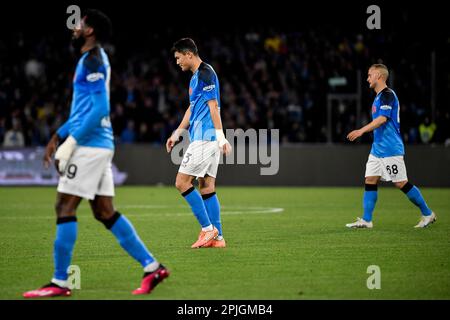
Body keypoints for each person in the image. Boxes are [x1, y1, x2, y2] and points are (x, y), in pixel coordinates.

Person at [23, 9, 168, 298]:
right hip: (97, 144)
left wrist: (72, 142)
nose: (74, 27)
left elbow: (101, 109)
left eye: (79, 23)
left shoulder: (92, 60)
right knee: (104, 212)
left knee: (64, 206)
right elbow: (84, 111)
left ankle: (59, 282)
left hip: (90, 146)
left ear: (89, 31)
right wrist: (59, 135)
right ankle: (152, 267)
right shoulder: (90, 60)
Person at [346, 64, 436, 229]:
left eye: (370, 75)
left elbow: (382, 119)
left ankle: (428, 213)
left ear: (379, 75)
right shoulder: (378, 97)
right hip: (377, 149)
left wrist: (361, 131)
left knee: (401, 183)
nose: (367, 78)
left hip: (390, 149)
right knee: (370, 180)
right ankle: (367, 220)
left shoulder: (388, 95)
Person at [166, 38, 231, 248]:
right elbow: (191, 109)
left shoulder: (205, 73)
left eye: (178, 58)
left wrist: (221, 138)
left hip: (205, 139)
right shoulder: (195, 78)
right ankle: (218, 238)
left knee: (181, 182)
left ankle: (207, 229)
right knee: (206, 186)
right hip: (204, 138)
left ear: (189, 54)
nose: (177, 62)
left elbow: (214, 107)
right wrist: (177, 134)